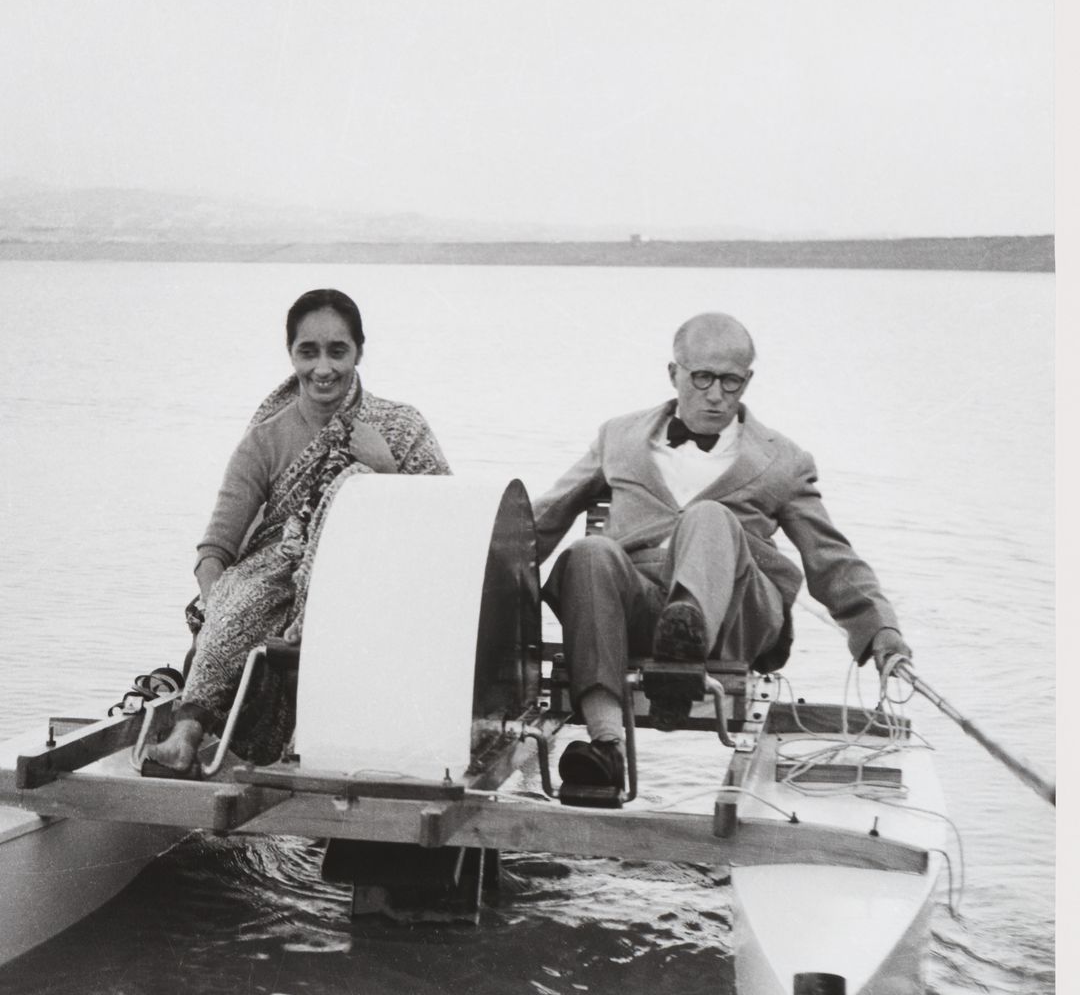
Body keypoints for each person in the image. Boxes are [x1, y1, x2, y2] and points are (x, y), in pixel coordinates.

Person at [533, 311, 911, 805]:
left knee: (708, 516)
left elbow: (829, 553)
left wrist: (879, 629)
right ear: (674, 374)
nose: (715, 395)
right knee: (588, 553)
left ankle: (685, 646)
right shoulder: (618, 438)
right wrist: (469, 573)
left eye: (730, 382)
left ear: (747, 381)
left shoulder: (783, 460)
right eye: (702, 378)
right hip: (639, 612)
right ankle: (606, 746)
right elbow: (544, 518)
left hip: (734, 616)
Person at [145, 288, 450, 773]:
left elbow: (445, 528)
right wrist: (217, 605)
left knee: (358, 481)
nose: (323, 368)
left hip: (374, 592)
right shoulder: (266, 439)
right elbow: (215, 549)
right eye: (308, 352)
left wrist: (385, 469)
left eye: (337, 351)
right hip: (275, 589)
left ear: (359, 352)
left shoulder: (401, 426)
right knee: (238, 596)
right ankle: (186, 733)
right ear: (291, 354)